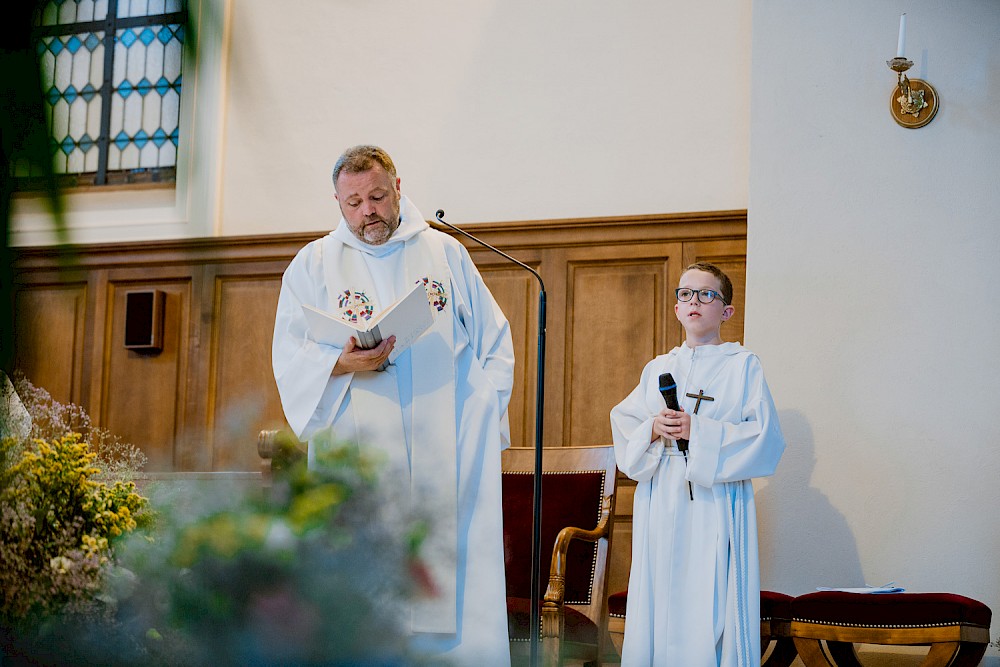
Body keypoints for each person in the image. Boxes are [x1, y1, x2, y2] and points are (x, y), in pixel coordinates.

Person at [272, 145, 515, 665]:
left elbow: (495, 343)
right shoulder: (313, 263)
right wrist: (340, 365)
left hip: (447, 446)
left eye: (377, 196)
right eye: (353, 202)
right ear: (336, 201)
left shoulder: (445, 253)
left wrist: (481, 418)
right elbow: (290, 358)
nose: (368, 212)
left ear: (398, 186)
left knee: (452, 563)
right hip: (360, 450)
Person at [610, 262, 785, 667]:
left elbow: (765, 438)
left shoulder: (743, 365)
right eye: (685, 294)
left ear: (726, 312)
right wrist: (654, 427)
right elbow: (625, 423)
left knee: (709, 596)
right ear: (676, 309)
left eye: (707, 295)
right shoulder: (658, 368)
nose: (694, 302)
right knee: (661, 592)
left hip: (715, 496)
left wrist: (699, 430)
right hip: (662, 493)